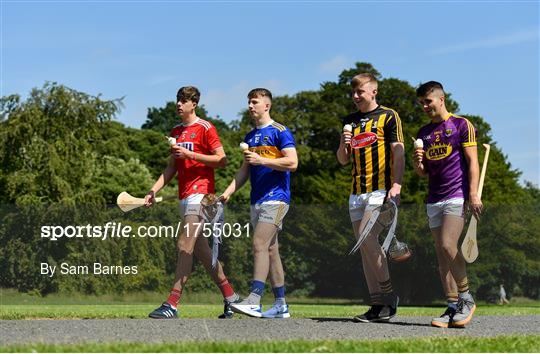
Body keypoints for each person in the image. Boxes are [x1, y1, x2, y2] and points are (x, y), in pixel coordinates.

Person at [144, 86, 241, 319]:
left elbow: (222, 160)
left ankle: (172, 303)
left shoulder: (206, 128)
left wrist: (191, 155)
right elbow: (171, 167)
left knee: (184, 245)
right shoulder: (176, 131)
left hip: (202, 195)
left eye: (184, 100)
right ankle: (232, 298)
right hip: (184, 195)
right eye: (178, 100)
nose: (179, 104)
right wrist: (152, 190)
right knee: (203, 252)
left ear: (194, 103)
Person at [220, 88, 298, 318]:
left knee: (259, 243)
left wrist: (261, 159)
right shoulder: (250, 137)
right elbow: (244, 171)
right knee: (271, 250)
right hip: (257, 200)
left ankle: (254, 299)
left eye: (254, 102)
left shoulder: (280, 132)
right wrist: (227, 193)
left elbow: (292, 163)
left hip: (277, 198)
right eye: (248, 102)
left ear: (267, 105)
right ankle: (281, 304)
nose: (250, 106)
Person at [413, 81, 482, 328]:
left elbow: (472, 162)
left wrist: (473, 194)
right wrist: (418, 164)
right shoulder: (423, 133)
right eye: (421, 103)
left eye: (428, 101)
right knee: (441, 256)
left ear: (441, 99)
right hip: (433, 198)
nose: (424, 106)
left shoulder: (461, 125)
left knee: (448, 244)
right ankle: (452, 307)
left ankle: (466, 298)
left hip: (456, 194)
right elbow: (423, 172)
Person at [337, 73, 404, 323]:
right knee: (364, 248)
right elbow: (343, 160)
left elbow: (399, 152)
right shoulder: (349, 121)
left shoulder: (388, 116)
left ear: (373, 92)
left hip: (381, 189)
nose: (355, 96)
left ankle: (389, 298)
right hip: (356, 192)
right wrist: (344, 144)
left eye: (360, 92)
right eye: (353, 92)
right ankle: (376, 305)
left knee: (367, 237)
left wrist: (396, 184)